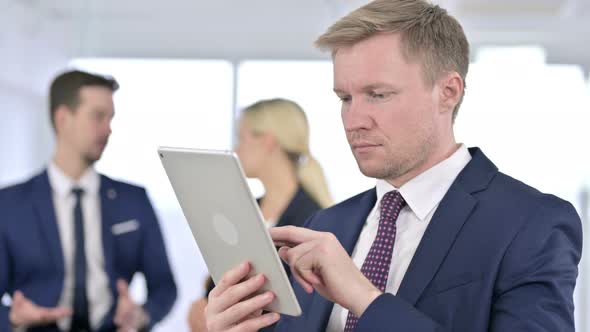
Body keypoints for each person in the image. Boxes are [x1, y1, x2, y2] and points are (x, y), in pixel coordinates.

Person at [203, 1, 583, 331]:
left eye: (378, 95)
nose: (354, 120)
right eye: (345, 98)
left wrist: (366, 300)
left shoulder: (531, 223)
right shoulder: (328, 224)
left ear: (447, 93)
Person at [0, 70, 177, 331]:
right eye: (97, 117)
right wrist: (12, 319)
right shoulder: (9, 205)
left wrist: (141, 315)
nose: (108, 129)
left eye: (110, 118)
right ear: (63, 119)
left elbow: (164, 287)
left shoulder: (134, 200)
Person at [188, 98, 333, 331]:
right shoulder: (244, 210)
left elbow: (306, 316)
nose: (236, 149)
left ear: (267, 141)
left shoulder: (315, 220)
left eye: (242, 138)